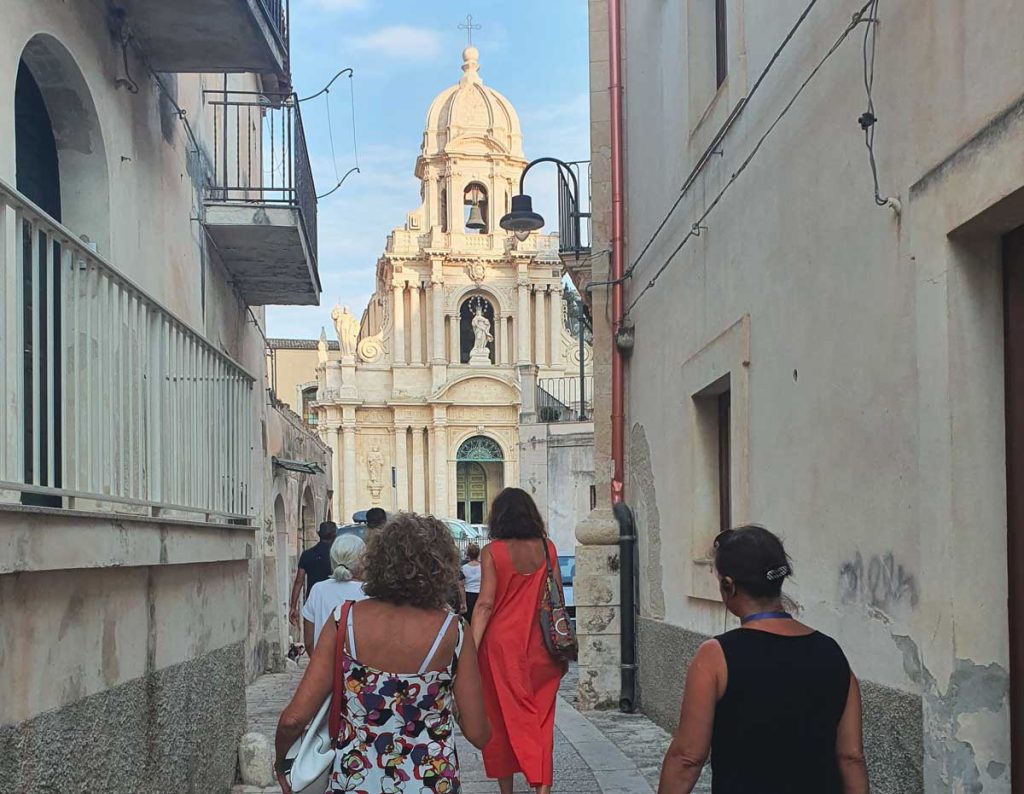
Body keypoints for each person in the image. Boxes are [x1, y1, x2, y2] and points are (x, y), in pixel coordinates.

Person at [275, 513, 490, 793]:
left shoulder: (344, 620)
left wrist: (282, 762)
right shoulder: (453, 631)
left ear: (377, 561)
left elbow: (294, 718)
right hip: (430, 782)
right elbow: (478, 734)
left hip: (357, 781)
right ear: (441, 567)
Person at [657, 525, 868, 794]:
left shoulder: (714, 657)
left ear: (728, 585)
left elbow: (687, 758)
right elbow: (851, 757)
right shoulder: (832, 653)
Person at [472, 488, 566, 794]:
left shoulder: (493, 552)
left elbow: (485, 604)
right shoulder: (547, 548)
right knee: (541, 717)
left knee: (499, 719)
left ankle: (507, 791)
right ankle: (542, 788)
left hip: (502, 647)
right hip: (543, 645)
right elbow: (555, 595)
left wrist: (469, 651)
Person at [300, 533, 367, 650]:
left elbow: (309, 642)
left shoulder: (318, 590)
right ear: (362, 561)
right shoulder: (368, 592)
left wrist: (322, 664)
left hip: (324, 664)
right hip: (360, 666)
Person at [289, 521, 336, 626]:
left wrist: (293, 607)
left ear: (319, 535)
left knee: (313, 638)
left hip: (313, 600)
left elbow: (299, 581)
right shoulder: (337, 555)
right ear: (334, 535)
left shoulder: (307, 554)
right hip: (334, 601)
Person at [462, 542, 482, 622]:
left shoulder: (463, 568)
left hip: (468, 594)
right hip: (480, 593)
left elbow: (461, 586)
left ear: (468, 554)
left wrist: (463, 602)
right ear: (478, 553)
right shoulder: (483, 567)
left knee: (469, 618)